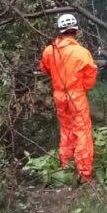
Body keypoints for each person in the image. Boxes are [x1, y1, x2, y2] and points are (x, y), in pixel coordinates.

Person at [39, 13, 98, 183]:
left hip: (59, 96)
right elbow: (90, 76)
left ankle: (65, 164)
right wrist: (82, 88)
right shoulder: (82, 53)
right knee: (82, 131)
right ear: (75, 31)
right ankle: (84, 174)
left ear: (60, 31)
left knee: (66, 129)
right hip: (76, 96)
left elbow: (44, 69)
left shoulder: (50, 50)